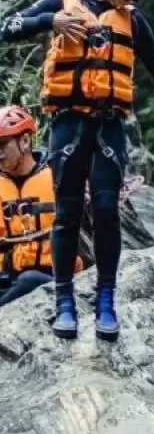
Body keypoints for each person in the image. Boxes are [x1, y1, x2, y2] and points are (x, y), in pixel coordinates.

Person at [0, 0, 154, 339]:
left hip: (109, 124)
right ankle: (64, 304)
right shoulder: (62, 5)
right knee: (67, 213)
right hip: (68, 123)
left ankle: (106, 301)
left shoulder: (132, 21)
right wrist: (50, 22)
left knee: (107, 209)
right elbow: (7, 29)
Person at [0, 105, 81, 307]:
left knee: (29, 280)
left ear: (25, 141)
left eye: (3, 145)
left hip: (52, 277)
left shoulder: (56, 178)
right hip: (8, 277)